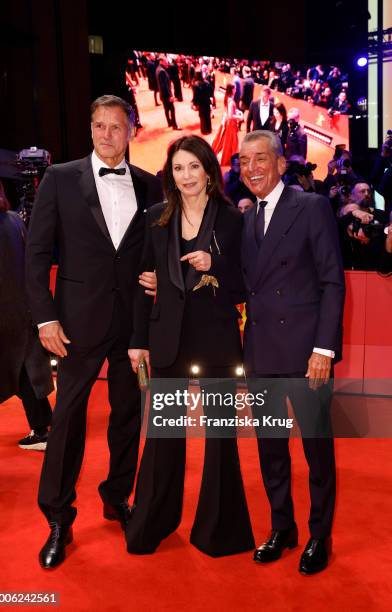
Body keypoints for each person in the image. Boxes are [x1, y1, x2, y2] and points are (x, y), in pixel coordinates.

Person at [25, 95, 162, 569]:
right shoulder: (61, 179)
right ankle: (58, 517)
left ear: (131, 131)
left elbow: (155, 252)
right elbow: (36, 253)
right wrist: (45, 318)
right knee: (67, 421)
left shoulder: (150, 185)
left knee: (128, 414)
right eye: (99, 126)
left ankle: (116, 495)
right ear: (90, 129)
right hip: (75, 324)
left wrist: (162, 276)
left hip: (133, 327)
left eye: (116, 127)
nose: (106, 134)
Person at [126, 135, 255, 557]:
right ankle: (153, 523)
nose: (186, 177)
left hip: (216, 339)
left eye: (194, 167)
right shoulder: (155, 217)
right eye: (178, 169)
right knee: (163, 437)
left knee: (220, 439)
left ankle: (219, 531)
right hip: (166, 340)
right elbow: (142, 284)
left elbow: (244, 286)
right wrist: (138, 342)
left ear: (209, 171)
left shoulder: (233, 220)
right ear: (171, 174)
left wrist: (214, 265)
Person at [239, 131, 345, 575]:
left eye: (261, 159)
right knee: (271, 448)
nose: (252, 168)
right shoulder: (245, 218)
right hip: (262, 351)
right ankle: (282, 526)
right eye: (244, 162)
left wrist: (324, 348)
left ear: (282, 164)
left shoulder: (311, 207)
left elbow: (332, 281)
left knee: (316, 449)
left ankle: (320, 533)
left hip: (306, 354)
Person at [0, 173, 54, 449]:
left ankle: (42, 430)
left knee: (1, 368)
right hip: (22, 308)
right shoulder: (14, 219)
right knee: (25, 370)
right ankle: (42, 430)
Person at [212, 84, 240, 166]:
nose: (235, 90)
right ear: (232, 90)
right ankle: (230, 159)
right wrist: (239, 117)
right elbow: (230, 116)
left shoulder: (227, 98)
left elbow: (228, 112)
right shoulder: (231, 101)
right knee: (232, 142)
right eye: (234, 89)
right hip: (231, 124)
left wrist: (236, 112)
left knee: (228, 141)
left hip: (228, 123)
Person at [156, 55, 180, 130]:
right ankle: (174, 126)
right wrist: (170, 96)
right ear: (161, 61)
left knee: (166, 109)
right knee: (172, 109)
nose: (167, 63)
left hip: (163, 95)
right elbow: (164, 86)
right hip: (166, 95)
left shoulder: (158, 69)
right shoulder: (162, 71)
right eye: (166, 62)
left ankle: (169, 123)